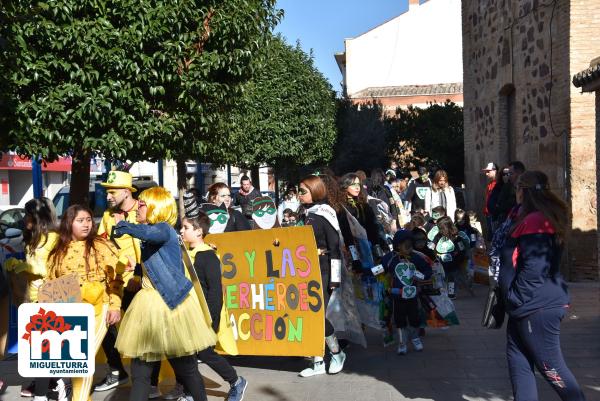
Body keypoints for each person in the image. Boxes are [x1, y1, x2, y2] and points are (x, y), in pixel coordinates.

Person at [113, 187, 216, 401]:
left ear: (155, 207)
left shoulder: (163, 229)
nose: (137, 207)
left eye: (142, 203)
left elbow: (149, 234)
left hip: (172, 306)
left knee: (186, 369)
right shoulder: (152, 232)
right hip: (150, 305)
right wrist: (138, 272)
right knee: (141, 374)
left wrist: (124, 226)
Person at [498, 171, 586, 401]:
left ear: (524, 191)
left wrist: (516, 297)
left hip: (534, 307)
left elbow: (535, 267)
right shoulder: (532, 217)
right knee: (520, 364)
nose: (514, 191)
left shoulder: (537, 221)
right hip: (525, 307)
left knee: (552, 368)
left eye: (517, 187)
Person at [46, 205, 122, 401]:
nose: (86, 224)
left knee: (83, 357)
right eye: (81, 220)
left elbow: (116, 279)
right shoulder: (57, 251)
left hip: (99, 309)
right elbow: (51, 284)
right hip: (70, 312)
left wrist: (114, 305)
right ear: (69, 223)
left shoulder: (102, 245)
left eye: (89, 219)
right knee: (76, 360)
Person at [174, 210, 247, 401]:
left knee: (205, 353)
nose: (181, 231)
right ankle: (189, 392)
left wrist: (212, 319)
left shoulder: (207, 256)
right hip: (188, 314)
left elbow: (215, 291)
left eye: (186, 227)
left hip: (206, 315)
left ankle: (236, 381)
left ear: (199, 232)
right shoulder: (186, 252)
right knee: (186, 354)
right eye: (182, 227)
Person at [95, 170, 142, 394]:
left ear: (126, 191)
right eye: (107, 192)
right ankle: (117, 371)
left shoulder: (142, 211)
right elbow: (102, 244)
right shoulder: (107, 215)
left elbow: (146, 246)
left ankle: (150, 383)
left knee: (145, 333)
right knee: (105, 326)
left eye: (112, 192)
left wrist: (139, 276)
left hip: (139, 282)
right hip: (115, 282)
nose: (108, 196)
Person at [297, 175, 346, 376]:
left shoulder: (325, 213)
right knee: (308, 315)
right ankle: (317, 362)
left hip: (323, 268)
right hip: (305, 269)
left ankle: (336, 353)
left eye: (303, 191)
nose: (299, 195)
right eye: (299, 191)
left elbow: (335, 247)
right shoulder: (305, 212)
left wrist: (335, 278)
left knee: (317, 315)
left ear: (315, 191)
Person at [20, 198, 67, 401]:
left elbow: (55, 269)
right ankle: (53, 383)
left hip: (51, 299)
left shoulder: (54, 238)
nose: (24, 218)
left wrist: (27, 268)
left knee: (44, 351)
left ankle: (42, 393)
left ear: (37, 216)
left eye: (27, 213)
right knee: (41, 349)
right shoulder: (33, 238)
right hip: (33, 299)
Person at [381, 230, 432, 355]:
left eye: (411, 244)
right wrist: (365, 271)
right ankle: (402, 342)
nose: (410, 248)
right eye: (406, 245)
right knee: (399, 319)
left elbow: (427, 269)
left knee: (414, 318)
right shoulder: (390, 258)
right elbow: (379, 269)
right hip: (397, 295)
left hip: (413, 295)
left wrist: (421, 276)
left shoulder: (416, 257)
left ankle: (415, 338)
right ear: (398, 245)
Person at [337, 173, 388, 267]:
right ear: (345, 186)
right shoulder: (341, 207)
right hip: (353, 248)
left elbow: (373, 226)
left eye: (358, 184)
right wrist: (354, 257)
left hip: (368, 245)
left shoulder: (363, 203)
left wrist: (377, 248)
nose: (357, 187)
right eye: (353, 184)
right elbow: (346, 232)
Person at [429, 216, 468, 299]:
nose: (440, 230)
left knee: (452, 278)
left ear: (447, 227)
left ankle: (451, 293)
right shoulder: (438, 236)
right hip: (441, 262)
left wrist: (459, 259)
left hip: (453, 262)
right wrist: (430, 249)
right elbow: (432, 245)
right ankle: (442, 292)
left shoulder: (456, 237)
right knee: (441, 278)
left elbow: (462, 250)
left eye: (441, 228)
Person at [482, 162, 498, 240]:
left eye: (488, 171)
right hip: (488, 213)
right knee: (490, 236)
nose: (486, 174)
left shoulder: (498, 184)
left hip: (494, 214)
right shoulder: (490, 184)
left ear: (494, 171)